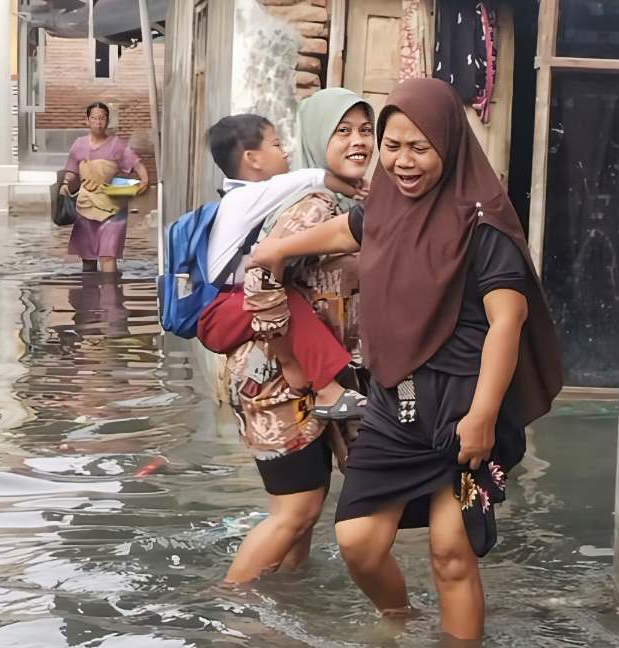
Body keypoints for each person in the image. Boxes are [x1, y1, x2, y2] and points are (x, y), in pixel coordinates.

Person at [249, 78, 563, 642]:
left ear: (449, 142)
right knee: (358, 541)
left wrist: (485, 415)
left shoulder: (483, 224)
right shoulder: (389, 208)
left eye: (419, 148)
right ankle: (402, 624)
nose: (402, 161)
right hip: (397, 405)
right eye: (392, 146)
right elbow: (351, 229)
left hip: (465, 408)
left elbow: (507, 323)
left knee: (450, 551)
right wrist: (278, 248)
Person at [200, 89, 377, 584]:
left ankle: (282, 605)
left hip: (304, 376)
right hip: (278, 380)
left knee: (305, 508)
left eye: (365, 130)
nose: (358, 141)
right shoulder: (312, 207)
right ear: (320, 139)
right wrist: (293, 361)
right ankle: (229, 608)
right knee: (295, 511)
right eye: (343, 131)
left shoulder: (349, 201)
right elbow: (259, 276)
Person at [197, 113, 368, 420]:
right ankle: (327, 390)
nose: (286, 151)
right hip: (225, 309)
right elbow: (310, 177)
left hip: (230, 308)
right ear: (252, 158)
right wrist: (353, 188)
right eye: (276, 144)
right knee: (287, 301)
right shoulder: (247, 197)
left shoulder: (244, 200)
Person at [60, 102, 151, 274]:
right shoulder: (79, 145)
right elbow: (71, 171)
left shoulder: (117, 145)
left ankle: (111, 297)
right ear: (87, 120)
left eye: (102, 118)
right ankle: (88, 297)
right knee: (87, 259)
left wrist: (144, 181)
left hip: (113, 207)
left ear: (107, 121)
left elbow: (137, 164)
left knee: (108, 256)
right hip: (86, 205)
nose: (98, 122)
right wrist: (65, 184)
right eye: (94, 118)